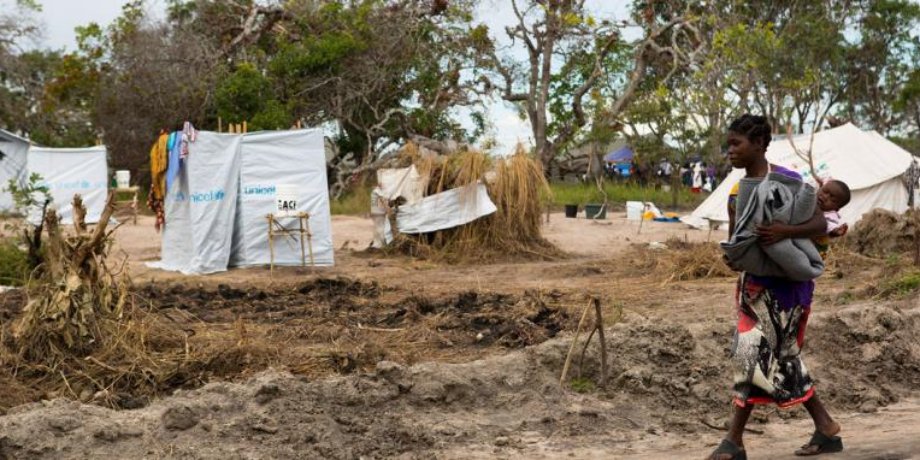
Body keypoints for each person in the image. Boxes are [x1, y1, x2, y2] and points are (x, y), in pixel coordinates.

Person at [707, 115, 842, 460]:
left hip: (787, 290)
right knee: (776, 357)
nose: (730, 151)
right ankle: (825, 427)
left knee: (752, 355)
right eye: (729, 144)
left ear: (758, 144)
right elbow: (737, 239)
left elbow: (817, 222)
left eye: (736, 143)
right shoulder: (737, 191)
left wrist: (784, 232)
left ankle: (733, 442)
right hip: (753, 287)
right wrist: (734, 258)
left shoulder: (789, 182)